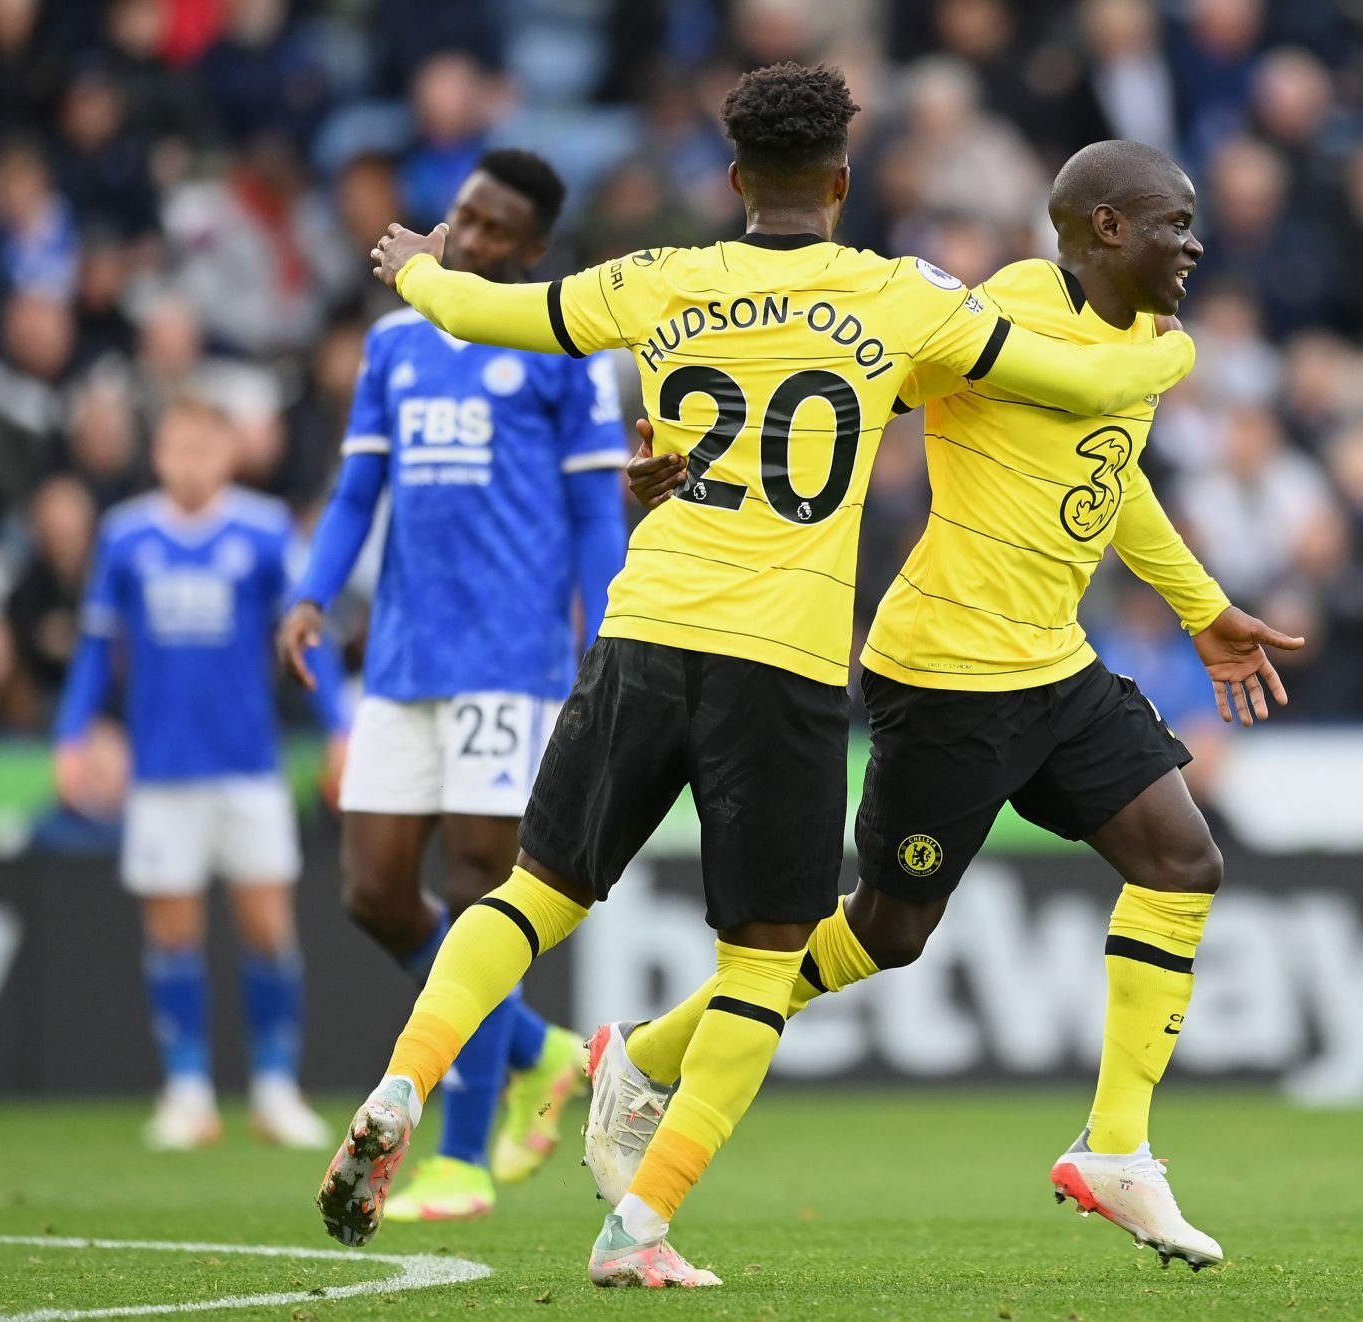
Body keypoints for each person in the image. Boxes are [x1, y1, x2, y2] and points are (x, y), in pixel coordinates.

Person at [313, 62, 1199, 1289]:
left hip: (645, 628)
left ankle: (404, 1079)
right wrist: (1172, 356)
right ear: (843, 180)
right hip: (777, 664)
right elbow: (1089, 382)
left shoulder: (658, 280)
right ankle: (641, 1226)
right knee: (759, 964)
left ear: (734, 180)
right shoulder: (900, 298)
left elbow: (484, 315)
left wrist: (416, 265)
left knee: (533, 893)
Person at [592, 139, 1302, 1272]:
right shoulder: (1004, 309)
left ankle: (1117, 1146)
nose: (1195, 243)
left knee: (1182, 860)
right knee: (888, 930)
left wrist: (1202, 607)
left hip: (1054, 666)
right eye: (1175, 222)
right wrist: (693, 456)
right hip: (946, 673)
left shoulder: (1141, 341)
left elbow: (1114, 483)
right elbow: (853, 388)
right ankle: (646, 1051)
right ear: (1106, 227)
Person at [278, 150, 624, 1222]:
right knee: (375, 891)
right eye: (459, 214)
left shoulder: (560, 350)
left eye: (487, 227)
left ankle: (463, 1156)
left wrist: (610, 633)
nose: (460, 235)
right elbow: (356, 491)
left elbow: (596, 514)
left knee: (482, 884)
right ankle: (544, 1052)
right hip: (401, 658)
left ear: (527, 250)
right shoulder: (393, 343)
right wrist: (311, 593)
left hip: (510, 660)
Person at [54, 398, 347, 1151]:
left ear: (228, 454)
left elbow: (306, 637)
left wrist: (340, 727)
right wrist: (71, 734)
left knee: (267, 929)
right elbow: (96, 648)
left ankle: (276, 1089)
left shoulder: (262, 530)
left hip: (250, 763)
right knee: (173, 932)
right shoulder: (126, 537)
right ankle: (187, 1091)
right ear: (159, 454)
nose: (190, 462)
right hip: (161, 769)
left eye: (204, 449)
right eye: (177, 448)